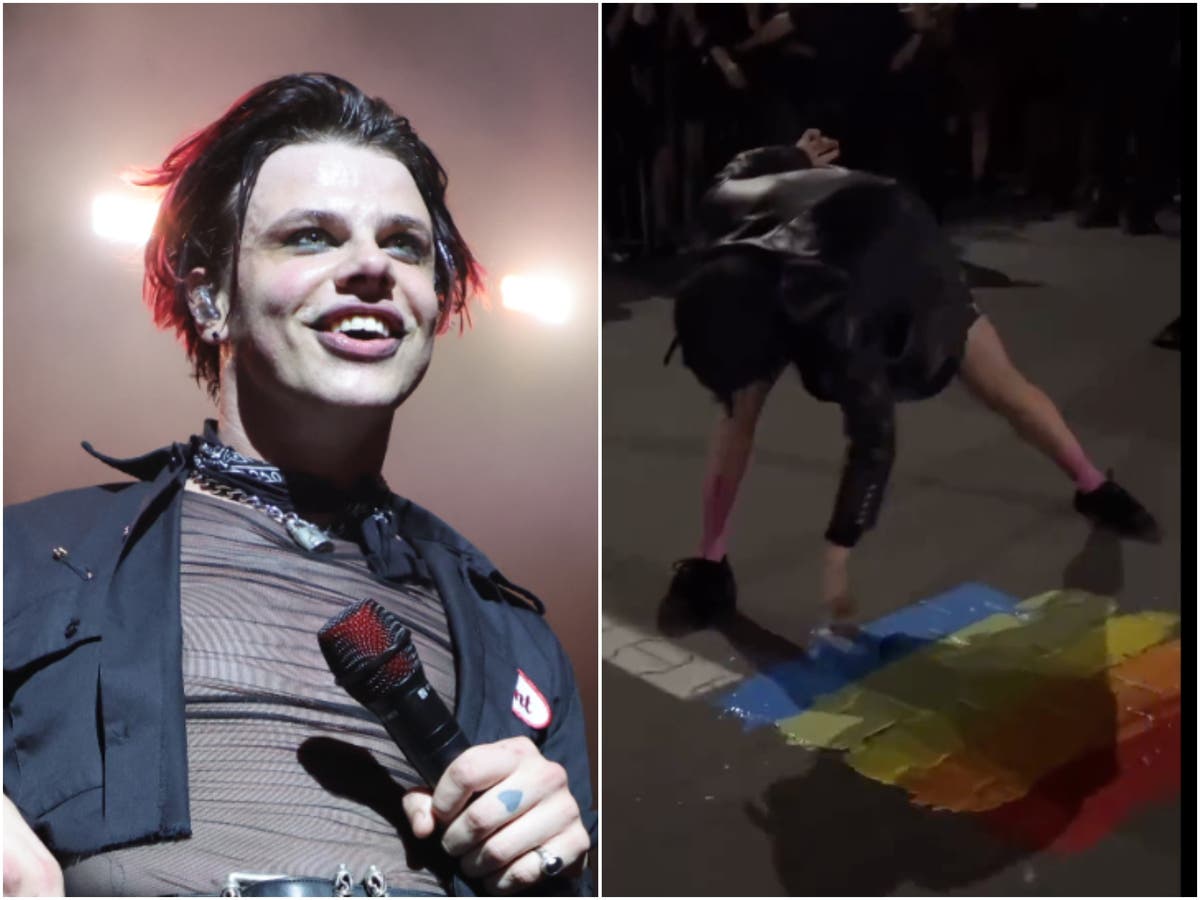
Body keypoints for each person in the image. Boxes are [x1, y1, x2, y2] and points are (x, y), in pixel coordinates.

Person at [4, 73, 594, 897]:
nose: (370, 267)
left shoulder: (517, 643)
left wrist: (559, 863)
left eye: (405, 244)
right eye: (312, 236)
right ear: (211, 299)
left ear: (436, 303)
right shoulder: (29, 557)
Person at [664, 129, 1160, 622]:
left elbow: (873, 434)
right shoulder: (722, 215)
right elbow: (738, 169)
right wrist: (794, 155)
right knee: (738, 408)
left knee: (1001, 385)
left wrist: (840, 546)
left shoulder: (844, 316)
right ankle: (710, 563)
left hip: (907, 260)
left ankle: (1093, 485)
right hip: (819, 241)